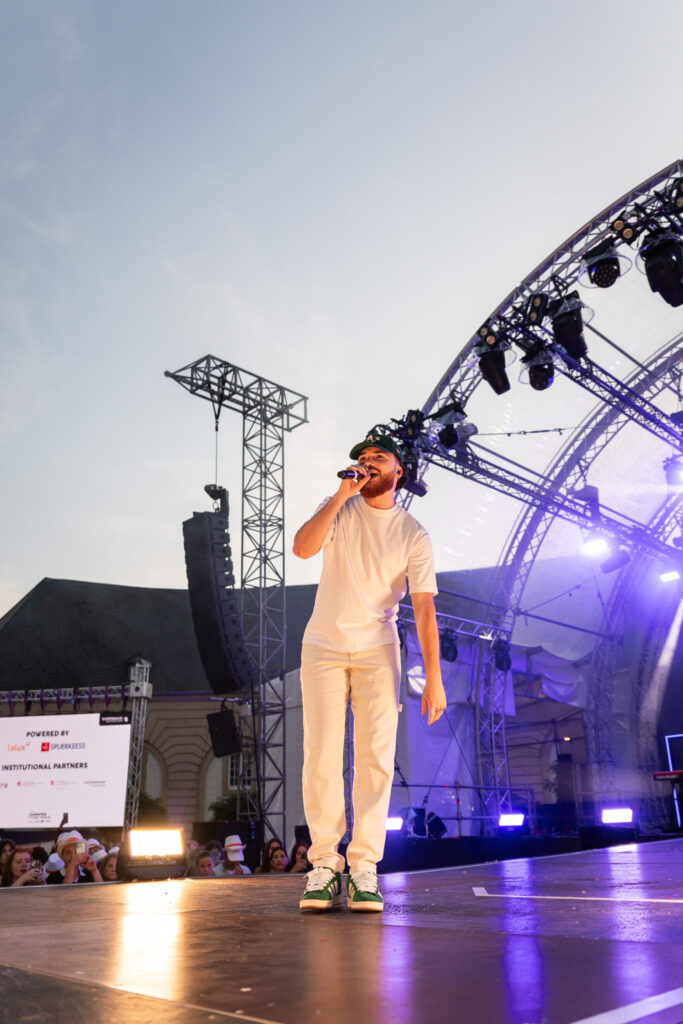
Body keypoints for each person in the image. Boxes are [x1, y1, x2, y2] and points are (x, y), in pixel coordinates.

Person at [293, 432, 446, 912]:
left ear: (399, 471)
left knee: (374, 758)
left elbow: (423, 610)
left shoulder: (413, 533)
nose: (366, 462)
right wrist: (341, 493)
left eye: (377, 457)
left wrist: (434, 677)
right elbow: (301, 549)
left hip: (378, 647)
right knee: (320, 752)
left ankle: (363, 868)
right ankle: (323, 864)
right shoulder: (340, 505)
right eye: (361, 458)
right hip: (323, 644)